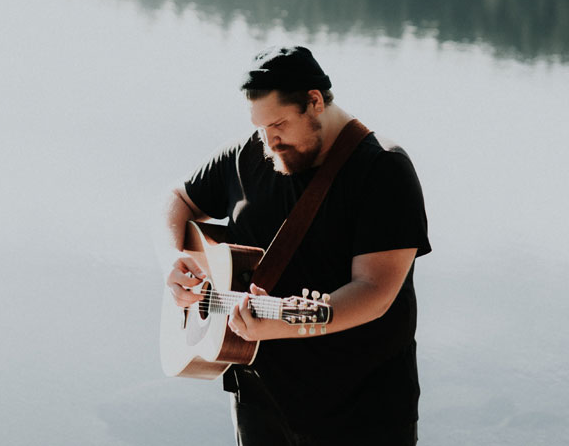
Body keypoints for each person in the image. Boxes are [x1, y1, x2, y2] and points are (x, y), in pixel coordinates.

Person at [163, 45, 431, 445]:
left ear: (315, 101)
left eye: (279, 124)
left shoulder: (383, 169)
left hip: (361, 412)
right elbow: (176, 200)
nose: (269, 141)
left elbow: (375, 291)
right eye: (259, 127)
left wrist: (284, 323)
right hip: (258, 401)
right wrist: (174, 258)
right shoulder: (244, 156)